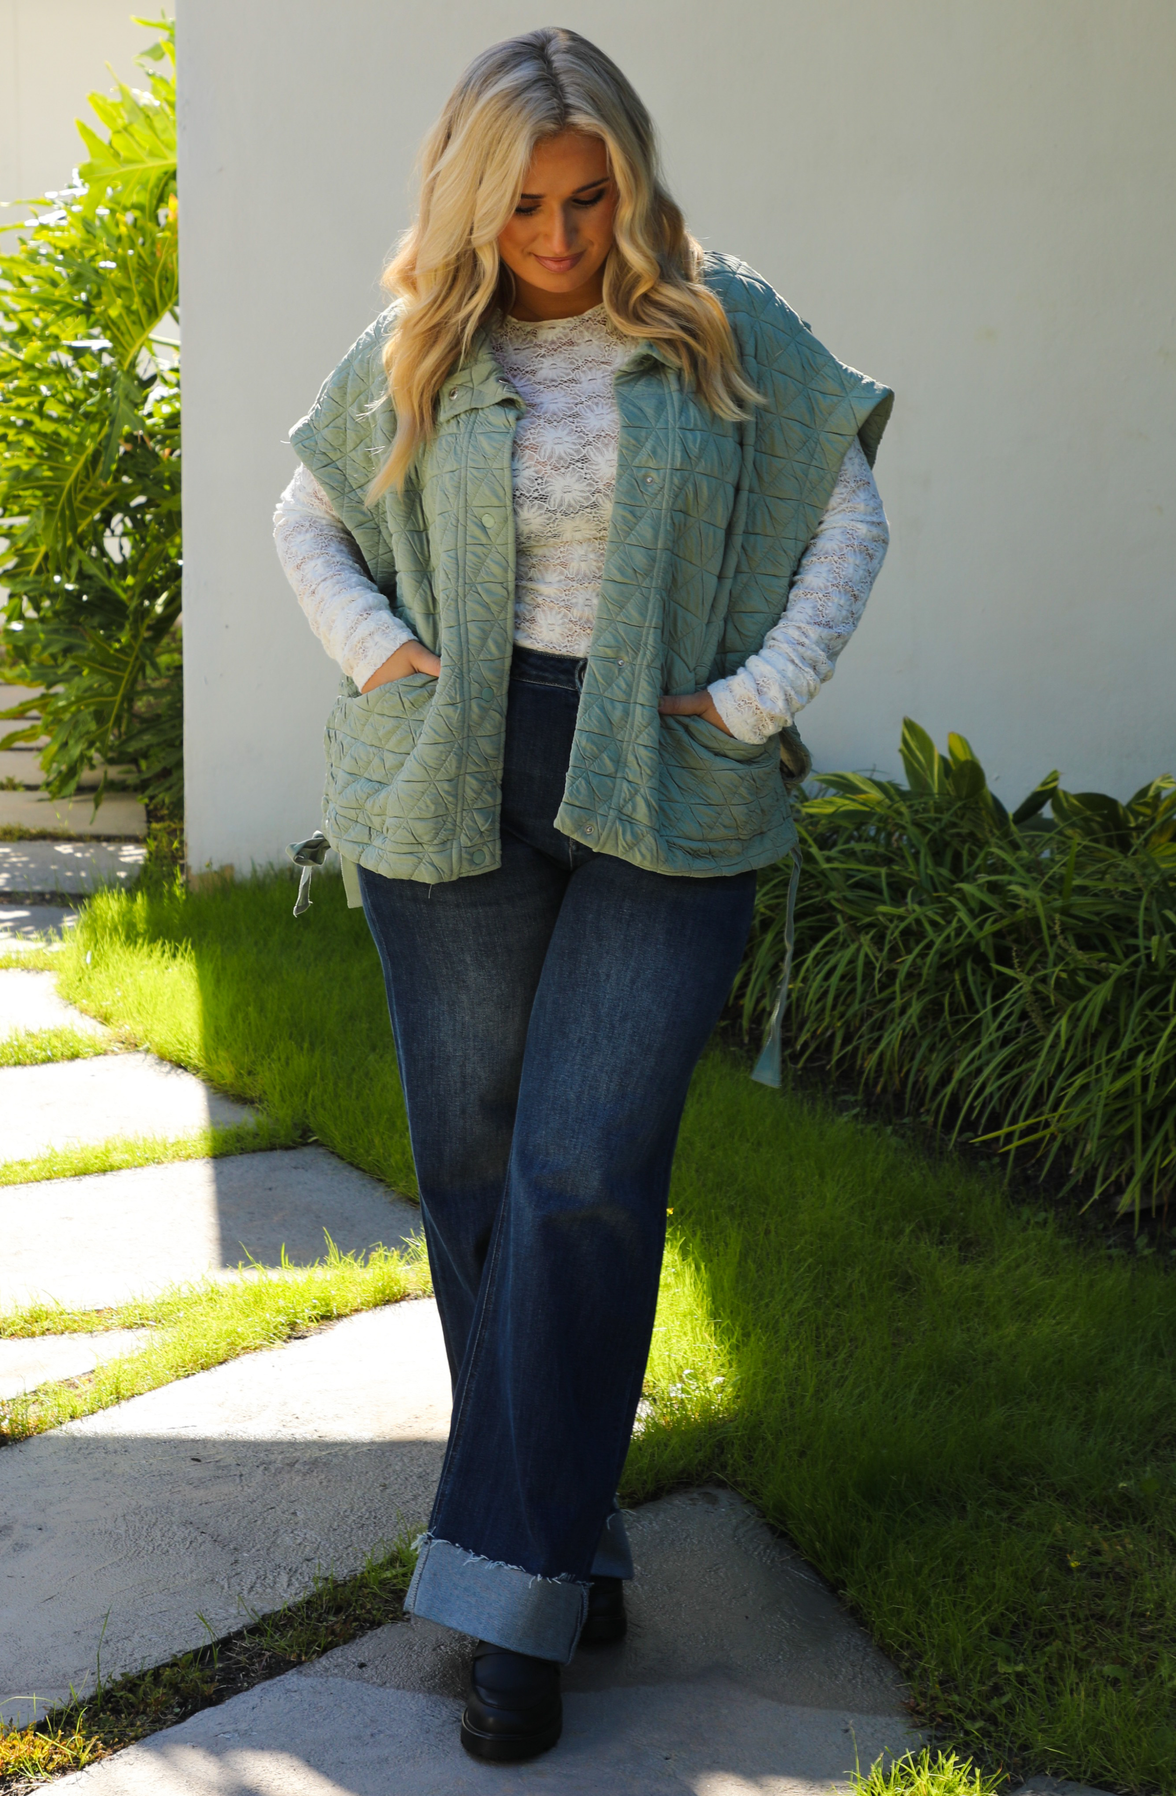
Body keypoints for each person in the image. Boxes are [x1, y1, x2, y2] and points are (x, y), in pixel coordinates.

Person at [274, 26, 891, 1765]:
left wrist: (762, 698)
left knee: (581, 1175)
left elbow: (847, 508)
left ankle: (504, 1614)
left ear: (633, 170)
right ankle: (565, 1540)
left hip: (663, 779)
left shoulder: (725, 322)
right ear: (474, 199)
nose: (559, 232)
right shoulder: (426, 339)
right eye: (526, 202)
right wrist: (384, 654)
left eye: (590, 191)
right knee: (477, 1179)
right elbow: (303, 516)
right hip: (451, 773)